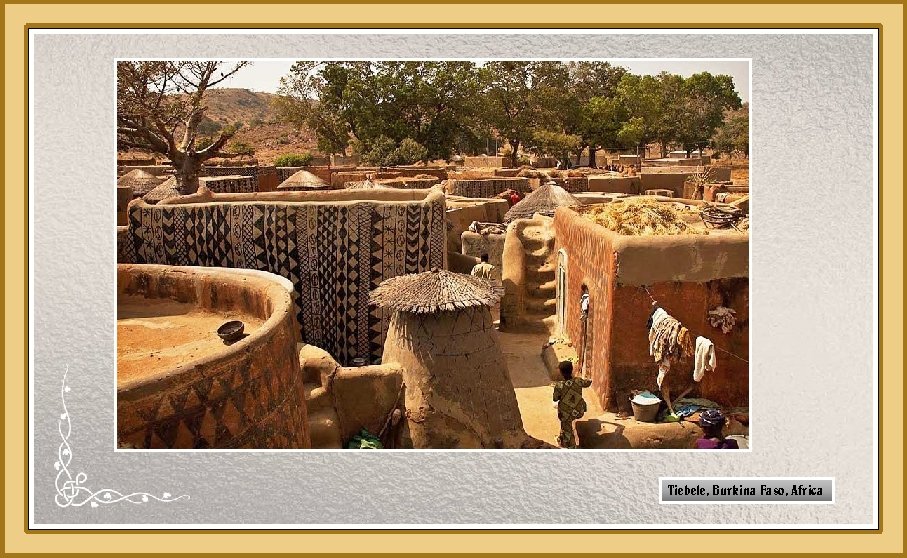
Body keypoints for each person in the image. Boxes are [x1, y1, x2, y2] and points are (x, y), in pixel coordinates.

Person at [552, 361, 592, 449]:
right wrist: (588, 377)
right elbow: (588, 383)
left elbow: (555, 399)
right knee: (579, 400)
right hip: (579, 411)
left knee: (565, 422)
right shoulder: (578, 381)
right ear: (572, 370)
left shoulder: (559, 386)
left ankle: (570, 446)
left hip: (566, 415)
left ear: (561, 373)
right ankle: (561, 438)